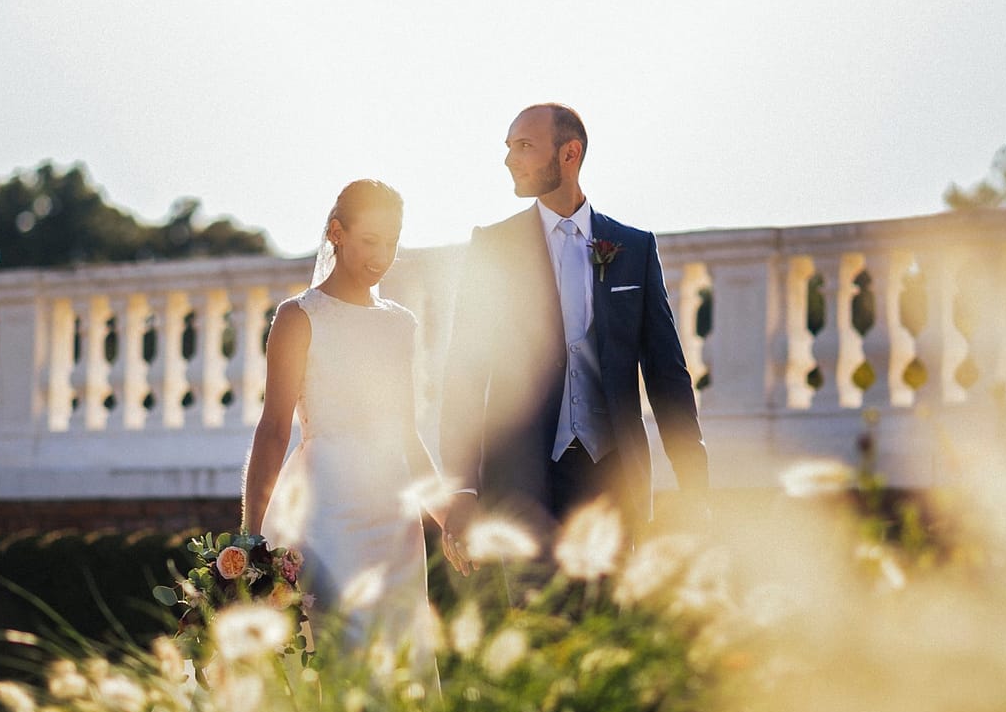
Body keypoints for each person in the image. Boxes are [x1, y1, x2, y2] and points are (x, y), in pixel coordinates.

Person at [439, 103, 709, 582]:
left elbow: (668, 377)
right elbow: (464, 375)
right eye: (508, 147)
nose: (510, 159)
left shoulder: (634, 249)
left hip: (614, 483)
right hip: (521, 483)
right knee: (538, 635)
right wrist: (461, 492)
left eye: (524, 146)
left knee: (608, 641)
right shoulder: (494, 248)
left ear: (570, 153)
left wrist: (694, 484)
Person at [241, 179, 445, 666]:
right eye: (370, 240)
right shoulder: (299, 317)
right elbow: (273, 430)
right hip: (325, 511)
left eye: (392, 242)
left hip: (393, 518)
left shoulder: (400, 323)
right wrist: (250, 536)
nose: (382, 255)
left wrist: (447, 516)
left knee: (399, 657)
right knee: (336, 651)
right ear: (337, 233)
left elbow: (406, 432)